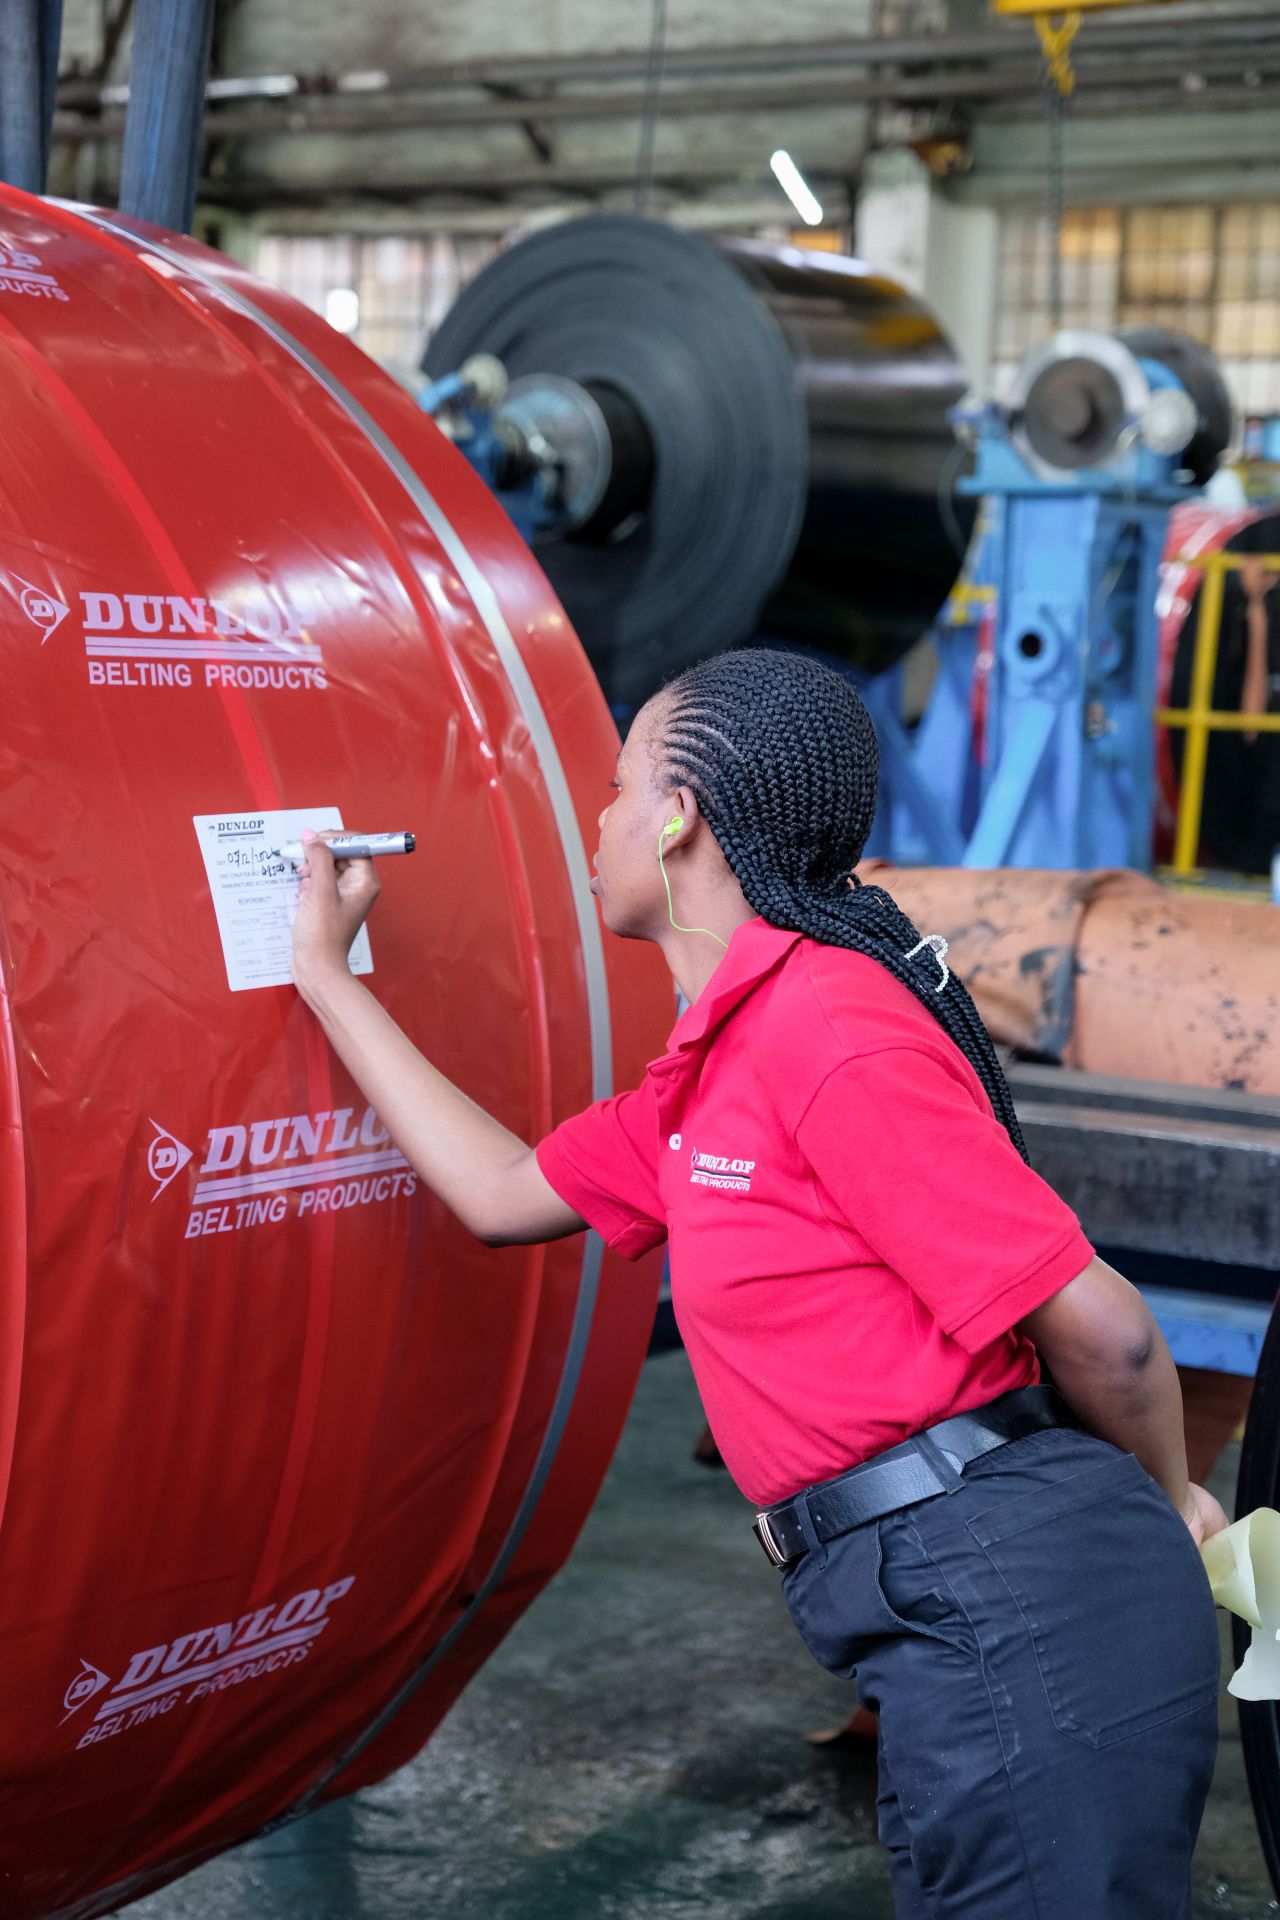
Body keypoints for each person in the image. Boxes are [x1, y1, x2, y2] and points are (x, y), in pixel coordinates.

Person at [291, 647, 1226, 1920]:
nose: (598, 818)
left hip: (1015, 1596)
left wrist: (1165, 1509)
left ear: (675, 820)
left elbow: (1106, 1336)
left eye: (618, 787)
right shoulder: (714, 1062)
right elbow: (503, 1192)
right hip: (936, 1612)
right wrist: (326, 980)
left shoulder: (825, 1026)